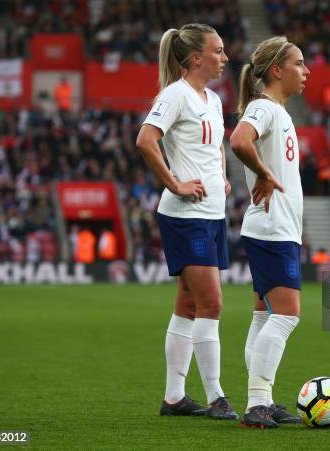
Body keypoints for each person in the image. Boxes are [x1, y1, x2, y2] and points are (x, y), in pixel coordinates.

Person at [135, 23, 237, 420]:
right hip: (186, 215)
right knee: (211, 302)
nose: (224, 57)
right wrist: (175, 183)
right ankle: (216, 396)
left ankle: (174, 397)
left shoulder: (210, 98)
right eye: (218, 50)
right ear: (196, 58)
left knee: (189, 303)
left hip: (211, 212)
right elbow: (146, 139)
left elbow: (215, 148)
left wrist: (222, 177)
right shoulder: (175, 95)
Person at [230, 36, 310, 428]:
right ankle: (257, 402)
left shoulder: (277, 111)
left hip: (276, 227)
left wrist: (264, 171)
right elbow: (239, 139)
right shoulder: (264, 107)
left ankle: (264, 398)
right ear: (276, 70)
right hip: (273, 228)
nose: (306, 70)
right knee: (287, 316)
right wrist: (262, 172)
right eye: (298, 63)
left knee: (265, 316)